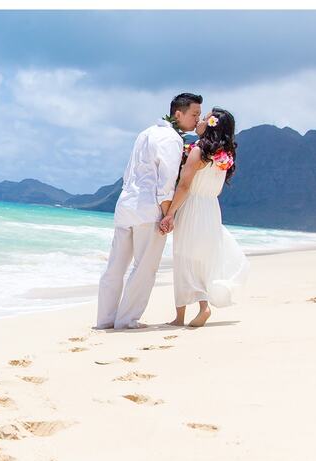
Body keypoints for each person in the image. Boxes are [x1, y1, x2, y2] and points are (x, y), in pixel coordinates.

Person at [96, 93, 202, 329]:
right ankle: (126, 320)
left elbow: (128, 172)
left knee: (115, 266)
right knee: (144, 267)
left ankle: (104, 320)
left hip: (126, 204)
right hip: (148, 208)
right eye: (194, 114)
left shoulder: (145, 132)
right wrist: (168, 214)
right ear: (178, 114)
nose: (197, 120)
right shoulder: (172, 139)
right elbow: (165, 182)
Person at [159, 107, 249, 327]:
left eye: (204, 118)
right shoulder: (224, 156)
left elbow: (186, 184)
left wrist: (170, 213)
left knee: (183, 257)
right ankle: (197, 307)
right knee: (203, 260)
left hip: (193, 207)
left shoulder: (199, 150)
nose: (198, 120)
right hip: (211, 208)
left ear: (211, 125)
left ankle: (187, 313)